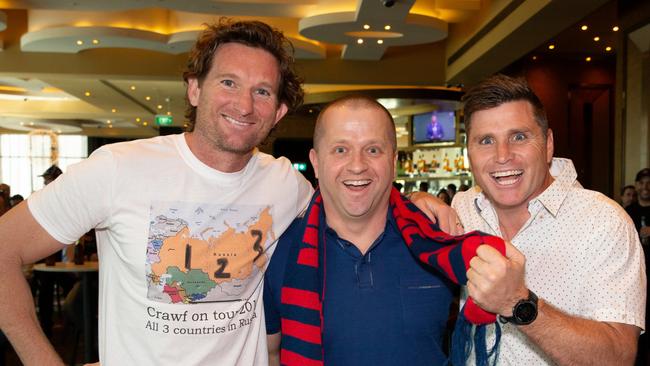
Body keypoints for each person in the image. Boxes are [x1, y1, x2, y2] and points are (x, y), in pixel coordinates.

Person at [0, 20, 455, 365]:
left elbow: (353, 194)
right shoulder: (118, 168)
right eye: (228, 82)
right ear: (195, 88)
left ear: (278, 112)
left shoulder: (284, 184)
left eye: (262, 91)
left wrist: (416, 203)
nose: (243, 104)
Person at [264, 95, 505, 366]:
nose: (357, 165)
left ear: (393, 161)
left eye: (373, 150)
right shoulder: (280, 250)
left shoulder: (437, 239)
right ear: (316, 162)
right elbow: (271, 355)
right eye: (340, 150)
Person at [451, 74, 646, 365]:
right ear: (469, 153)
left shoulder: (603, 222)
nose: (502, 155)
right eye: (486, 140)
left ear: (549, 143)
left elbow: (618, 357)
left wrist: (518, 304)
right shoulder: (462, 208)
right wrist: (419, 201)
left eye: (519, 136)